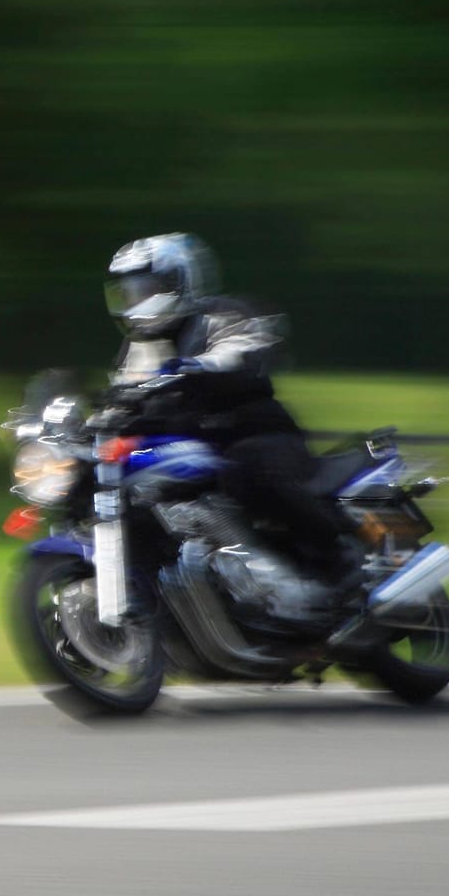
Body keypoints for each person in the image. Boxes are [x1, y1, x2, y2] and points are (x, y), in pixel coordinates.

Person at [102, 232, 363, 613]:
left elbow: (245, 351)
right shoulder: (139, 349)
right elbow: (123, 395)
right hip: (189, 447)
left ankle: (337, 559)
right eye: (130, 291)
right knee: (135, 490)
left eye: (147, 288)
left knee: (249, 469)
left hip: (253, 432)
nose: (137, 300)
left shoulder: (223, 314)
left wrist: (199, 366)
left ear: (181, 281)